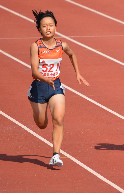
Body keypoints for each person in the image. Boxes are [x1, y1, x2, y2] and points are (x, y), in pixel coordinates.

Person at [27, 10, 89, 167]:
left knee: (59, 119)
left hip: (55, 86)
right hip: (39, 87)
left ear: (55, 27)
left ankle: (56, 155)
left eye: (51, 25)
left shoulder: (62, 45)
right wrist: (44, 78)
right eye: (44, 26)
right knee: (42, 124)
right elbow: (34, 70)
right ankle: (34, 102)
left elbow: (72, 54)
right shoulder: (36, 46)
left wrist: (78, 74)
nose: (48, 28)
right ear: (39, 29)